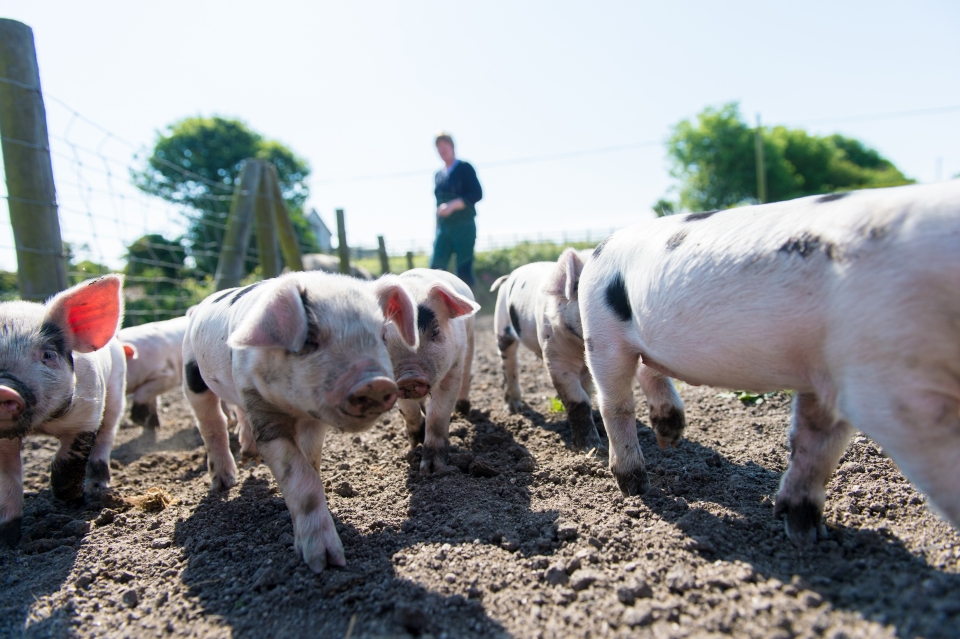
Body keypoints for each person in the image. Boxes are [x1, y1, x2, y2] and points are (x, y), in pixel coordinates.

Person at [430, 132, 482, 288]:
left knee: (463, 271)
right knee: (435, 269)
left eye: (444, 146)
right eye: (438, 147)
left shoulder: (465, 168)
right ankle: (439, 309)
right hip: (444, 228)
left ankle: (470, 309)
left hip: (464, 226)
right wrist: (436, 231)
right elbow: (437, 206)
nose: (442, 150)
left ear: (452, 147)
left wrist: (452, 206)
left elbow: (477, 193)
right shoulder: (438, 176)